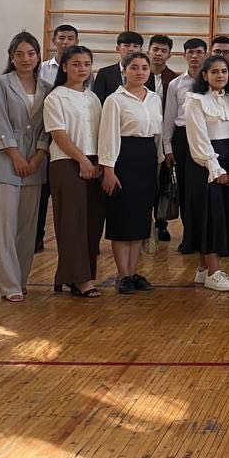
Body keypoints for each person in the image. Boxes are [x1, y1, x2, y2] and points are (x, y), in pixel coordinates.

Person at [0, 32, 51, 301]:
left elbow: (47, 128)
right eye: (19, 54)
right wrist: (16, 156)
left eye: (31, 54)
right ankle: (9, 285)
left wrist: (37, 157)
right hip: (3, 162)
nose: (25, 59)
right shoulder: (0, 84)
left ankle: (21, 280)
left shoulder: (46, 88)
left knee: (27, 228)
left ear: (38, 56)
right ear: (11, 57)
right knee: (4, 227)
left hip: (34, 163)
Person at [98, 51, 162, 294]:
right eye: (134, 67)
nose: (140, 72)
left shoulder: (154, 98)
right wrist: (108, 169)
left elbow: (157, 136)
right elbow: (108, 136)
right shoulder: (115, 100)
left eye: (144, 67)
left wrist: (159, 162)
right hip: (123, 159)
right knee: (122, 218)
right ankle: (122, 274)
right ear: (124, 71)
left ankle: (133, 272)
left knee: (140, 220)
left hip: (147, 160)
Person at [44, 45, 104, 297]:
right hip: (67, 162)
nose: (82, 69)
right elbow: (59, 135)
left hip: (94, 162)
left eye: (86, 64)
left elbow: (100, 132)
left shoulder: (93, 97)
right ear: (65, 67)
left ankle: (77, 275)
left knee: (92, 222)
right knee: (71, 222)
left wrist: (98, 161)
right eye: (76, 64)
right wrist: (82, 160)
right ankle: (79, 279)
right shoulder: (55, 97)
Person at [184, 55, 229, 292]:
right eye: (215, 71)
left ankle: (203, 269)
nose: (220, 75)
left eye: (224, 71)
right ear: (205, 75)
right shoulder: (195, 100)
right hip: (205, 165)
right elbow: (198, 138)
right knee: (209, 216)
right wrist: (215, 168)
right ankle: (213, 272)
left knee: (225, 215)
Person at [35, 23, 83, 252]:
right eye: (61, 37)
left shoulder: (86, 82)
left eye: (70, 38)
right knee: (43, 194)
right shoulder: (42, 69)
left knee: (73, 206)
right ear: (54, 40)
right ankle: (37, 237)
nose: (65, 41)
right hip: (46, 137)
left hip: (74, 143)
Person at [162, 38, 208, 254]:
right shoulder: (176, 84)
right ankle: (189, 237)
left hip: (206, 137)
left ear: (205, 54)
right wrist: (168, 147)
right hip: (182, 138)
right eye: (190, 52)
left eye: (199, 52)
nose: (194, 56)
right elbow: (169, 116)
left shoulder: (212, 80)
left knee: (203, 190)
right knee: (185, 190)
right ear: (184, 55)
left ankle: (206, 237)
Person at [148, 33, 178, 242]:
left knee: (163, 182)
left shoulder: (173, 79)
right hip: (143, 135)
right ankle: (143, 222)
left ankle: (161, 223)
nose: (158, 54)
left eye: (163, 50)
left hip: (164, 135)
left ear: (169, 54)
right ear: (148, 50)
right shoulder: (139, 74)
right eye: (155, 49)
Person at [93, 31, 149, 104]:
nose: (131, 49)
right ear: (118, 48)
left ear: (140, 50)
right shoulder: (104, 73)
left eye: (135, 46)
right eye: (126, 45)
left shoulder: (147, 74)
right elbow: (98, 101)